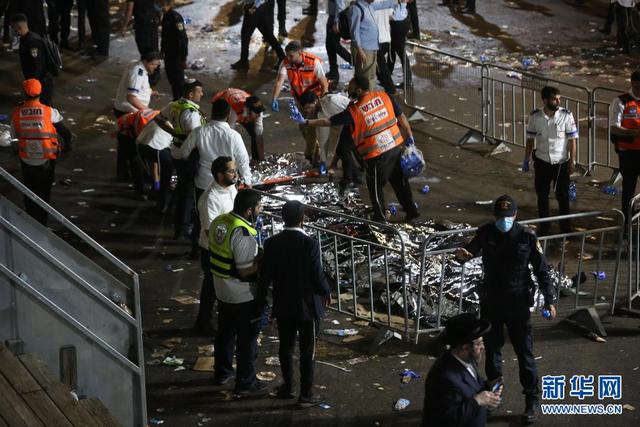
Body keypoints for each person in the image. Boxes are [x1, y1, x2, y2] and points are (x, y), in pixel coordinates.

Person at [455, 195, 557, 424]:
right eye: (500, 217)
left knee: (525, 354)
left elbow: (542, 270)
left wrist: (549, 299)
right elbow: (468, 252)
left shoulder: (527, 237)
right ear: (495, 217)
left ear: (515, 215)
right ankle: (493, 398)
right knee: (493, 354)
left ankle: (532, 400)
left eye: (508, 216)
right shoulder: (486, 233)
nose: (504, 221)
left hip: (518, 302)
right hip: (492, 301)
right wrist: (461, 256)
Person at [300, 76, 419, 222]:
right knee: (400, 183)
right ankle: (411, 210)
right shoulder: (385, 97)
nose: (348, 89)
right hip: (395, 149)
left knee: (375, 188)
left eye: (350, 86)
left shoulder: (354, 111)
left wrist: (307, 122)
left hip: (377, 155)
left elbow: (328, 121)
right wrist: (409, 138)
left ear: (359, 89)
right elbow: (402, 118)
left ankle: (380, 219)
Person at [256, 200, 331, 407]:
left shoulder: (272, 243)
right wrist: (326, 291)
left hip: (283, 304)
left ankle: (289, 387)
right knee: (308, 351)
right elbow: (317, 275)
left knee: (285, 347)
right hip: (308, 307)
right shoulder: (310, 244)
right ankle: (306, 395)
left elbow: (265, 277)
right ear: (303, 218)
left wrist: (262, 300)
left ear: (283, 217)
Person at [210, 189, 268, 396]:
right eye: (259, 207)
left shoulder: (220, 221)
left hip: (222, 290)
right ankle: (245, 382)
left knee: (225, 334)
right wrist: (261, 262)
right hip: (242, 295)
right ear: (250, 210)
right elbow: (245, 271)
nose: (261, 211)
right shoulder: (243, 233)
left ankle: (222, 372)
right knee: (247, 340)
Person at [181, 98, 252, 256]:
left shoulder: (200, 131)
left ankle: (199, 249)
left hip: (203, 182)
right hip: (227, 186)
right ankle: (224, 249)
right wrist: (247, 181)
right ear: (228, 115)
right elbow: (243, 160)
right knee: (228, 217)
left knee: (202, 218)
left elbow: (183, 152)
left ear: (212, 112)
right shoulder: (233, 136)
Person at [422, 313, 501, 427]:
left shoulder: (465, 359)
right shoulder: (444, 378)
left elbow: (472, 383)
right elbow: (447, 420)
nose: (483, 347)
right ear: (465, 347)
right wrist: (477, 401)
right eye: (479, 344)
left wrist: (489, 389)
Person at [155, 79, 206, 240]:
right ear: (191, 94)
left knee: (182, 187)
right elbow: (195, 137)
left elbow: (159, 119)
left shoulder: (175, 105)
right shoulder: (191, 113)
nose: (202, 94)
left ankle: (172, 214)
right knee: (188, 192)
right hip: (187, 156)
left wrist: (173, 133)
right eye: (199, 91)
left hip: (175, 151)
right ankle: (182, 228)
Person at [524, 86, 578, 235]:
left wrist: (572, 161)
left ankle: (565, 227)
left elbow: (572, 140)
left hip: (561, 163)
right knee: (542, 195)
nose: (559, 101)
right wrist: (526, 159)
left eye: (559, 98)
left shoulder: (566, 116)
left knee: (563, 196)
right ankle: (544, 226)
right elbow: (530, 140)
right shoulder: (535, 117)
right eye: (555, 98)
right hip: (542, 162)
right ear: (545, 100)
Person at [194, 156, 238, 336]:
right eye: (231, 171)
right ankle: (203, 322)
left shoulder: (230, 188)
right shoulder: (210, 199)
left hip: (229, 248)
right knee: (211, 288)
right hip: (213, 251)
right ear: (220, 176)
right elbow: (209, 231)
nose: (236, 174)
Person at [10, 79, 63, 225]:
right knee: (44, 193)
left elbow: (13, 136)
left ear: (24, 94)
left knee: (29, 190)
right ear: (40, 92)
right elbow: (61, 124)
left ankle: (31, 221)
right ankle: (42, 222)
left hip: (27, 160)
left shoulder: (17, 113)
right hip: (46, 160)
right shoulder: (48, 111)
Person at [113, 51, 161, 198]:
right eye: (153, 64)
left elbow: (137, 89)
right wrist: (147, 112)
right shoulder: (138, 72)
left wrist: (149, 92)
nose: (155, 68)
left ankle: (122, 173)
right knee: (135, 151)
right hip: (130, 115)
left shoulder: (136, 65)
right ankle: (139, 188)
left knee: (123, 145)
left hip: (123, 111)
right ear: (146, 61)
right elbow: (131, 97)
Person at [272, 41, 328, 163]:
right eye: (287, 55)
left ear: (299, 53)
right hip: (299, 99)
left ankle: (309, 157)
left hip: (313, 99)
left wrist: (322, 101)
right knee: (303, 127)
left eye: (291, 56)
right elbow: (279, 80)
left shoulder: (313, 62)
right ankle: (315, 151)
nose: (288, 58)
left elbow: (324, 83)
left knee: (310, 127)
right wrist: (274, 98)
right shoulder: (286, 62)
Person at [298, 90, 359, 187]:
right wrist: (323, 160)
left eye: (309, 107)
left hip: (356, 120)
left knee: (344, 149)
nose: (309, 111)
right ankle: (354, 175)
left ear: (316, 100)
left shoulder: (332, 101)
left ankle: (350, 178)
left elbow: (353, 108)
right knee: (342, 149)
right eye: (306, 109)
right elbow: (323, 138)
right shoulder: (320, 114)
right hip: (346, 125)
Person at [350, 0, 407, 92]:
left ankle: (369, 97)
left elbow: (385, 4)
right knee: (364, 78)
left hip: (373, 48)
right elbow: (354, 33)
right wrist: (359, 50)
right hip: (364, 49)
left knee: (371, 77)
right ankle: (362, 101)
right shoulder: (357, 8)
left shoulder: (370, 6)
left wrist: (400, 1)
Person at [610, 70, 640, 219]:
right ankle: (627, 221)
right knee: (628, 189)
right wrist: (635, 133)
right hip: (629, 154)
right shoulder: (621, 101)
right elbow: (614, 127)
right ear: (633, 83)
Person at [212, 88, 267, 163]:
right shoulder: (234, 109)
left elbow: (259, 133)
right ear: (248, 110)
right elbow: (229, 132)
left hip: (240, 98)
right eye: (256, 112)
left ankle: (256, 159)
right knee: (222, 131)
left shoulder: (258, 111)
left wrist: (261, 160)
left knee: (254, 133)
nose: (258, 115)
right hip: (224, 100)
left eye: (258, 112)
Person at [10, 13, 54, 106]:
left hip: (41, 83)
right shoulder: (26, 39)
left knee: (43, 108)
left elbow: (38, 67)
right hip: (36, 82)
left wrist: (33, 87)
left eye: (13, 28)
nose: (13, 30)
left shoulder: (33, 42)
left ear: (18, 27)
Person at [231, 0, 286, 70]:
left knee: (245, 35)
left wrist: (254, 7)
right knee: (268, 35)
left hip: (254, 8)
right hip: (258, 7)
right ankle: (283, 58)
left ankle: (243, 61)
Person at [135, 112, 173, 212]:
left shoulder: (163, 114)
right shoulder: (184, 122)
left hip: (142, 143)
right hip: (156, 146)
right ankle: (162, 204)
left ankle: (155, 188)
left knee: (154, 162)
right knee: (166, 173)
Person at [160, 0, 188, 101]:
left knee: (178, 80)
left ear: (169, 4)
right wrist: (162, 50)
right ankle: (176, 99)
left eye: (163, 5)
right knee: (171, 78)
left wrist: (184, 57)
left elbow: (183, 38)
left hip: (177, 55)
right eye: (161, 5)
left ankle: (181, 100)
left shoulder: (176, 17)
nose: (162, 7)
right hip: (168, 54)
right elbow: (164, 36)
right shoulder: (165, 17)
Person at [325, 0, 352, 82]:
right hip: (334, 17)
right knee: (330, 45)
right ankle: (333, 72)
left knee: (333, 45)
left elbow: (340, 6)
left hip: (335, 18)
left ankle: (353, 61)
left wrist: (337, 21)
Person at [374, 0, 396, 95]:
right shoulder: (387, 1)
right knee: (378, 65)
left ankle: (390, 90)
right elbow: (392, 16)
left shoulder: (371, 3)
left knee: (381, 66)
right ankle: (386, 85)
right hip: (386, 39)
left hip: (377, 40)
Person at [389, 1, 412, 88]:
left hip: (399, 22)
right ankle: (387, 76)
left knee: (400, 52)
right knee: (392, 49)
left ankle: (408, 81)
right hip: (399, 20)